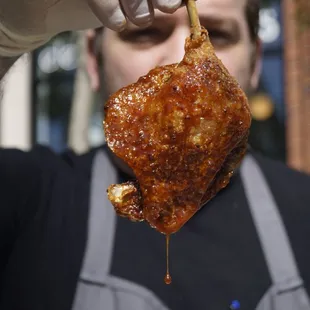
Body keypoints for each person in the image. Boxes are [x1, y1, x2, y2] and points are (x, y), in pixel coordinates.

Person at [1, 0, 310, 310]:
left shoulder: (303, 211)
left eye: (216, 34)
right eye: (145, 33)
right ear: (93, 61)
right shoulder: (33, 199)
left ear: (256, 63)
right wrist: (5, 41)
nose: (180, 59)